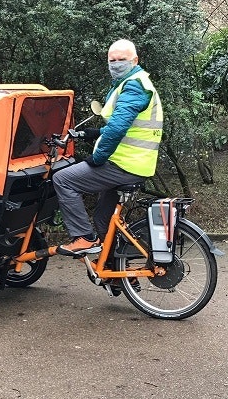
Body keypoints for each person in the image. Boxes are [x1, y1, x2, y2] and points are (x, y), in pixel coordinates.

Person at [53, 39, 163, 256]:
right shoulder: (134, 82)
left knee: (62, 179)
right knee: (103, 217)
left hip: (123, 164)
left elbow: (117, 128)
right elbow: (125, 127)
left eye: (122, 60)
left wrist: (98, 158)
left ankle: (83, 238)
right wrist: (93, 134)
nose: (116, 64)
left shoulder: (133, 85)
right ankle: (115, 270)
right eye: (112, 60)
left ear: (135, 60)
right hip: (136, 163)